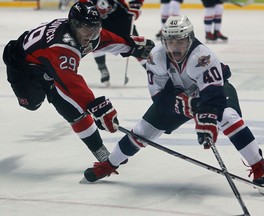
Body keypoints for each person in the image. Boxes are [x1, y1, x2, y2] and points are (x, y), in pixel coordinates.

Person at [83, 15, 264, 188]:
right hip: (178, 98)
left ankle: (259, 166)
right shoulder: (155, 57)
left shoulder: (203, 57)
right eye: (170, 41)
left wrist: (206, 117)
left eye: (180, 41)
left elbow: (213, 95)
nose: (175, 47)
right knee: (142, 131)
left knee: (228, 117)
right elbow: (158, 97)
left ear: (190, 39)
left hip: (210, 94)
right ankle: (110, 164)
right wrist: (184, 104)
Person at [2, 2, 154, 166]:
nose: (90, 33)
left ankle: (99, 149)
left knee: (71, 109)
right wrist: (95, 105)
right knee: (32, 104)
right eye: (86, 28)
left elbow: (105, 40)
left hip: (49, 65)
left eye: (94, 28)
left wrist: (131, 46)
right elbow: (72, 82)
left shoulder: (86, 33)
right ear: (74, 25)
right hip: (22, 66)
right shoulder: (62, 46)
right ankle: (44, 85)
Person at [80, 0, 145, 86]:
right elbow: (81, 9)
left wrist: (135, 7)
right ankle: (103, 69)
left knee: (136, 46)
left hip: (121, 19)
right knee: (96, 41)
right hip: (100, 22)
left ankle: (152, 70)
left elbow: (127, 9)